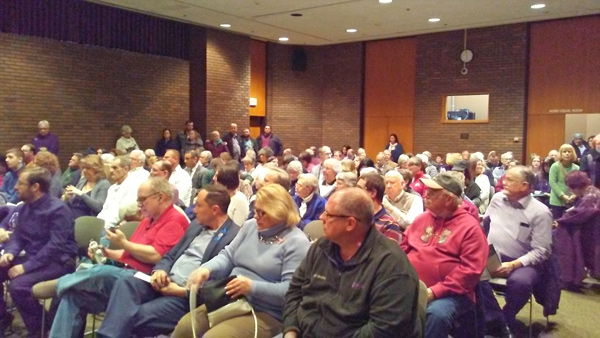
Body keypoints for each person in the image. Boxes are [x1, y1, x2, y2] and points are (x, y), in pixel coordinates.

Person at [90, 185, 240, 338]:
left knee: (132, 316)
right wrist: (160, 271)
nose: (194, 210)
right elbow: (170, 255)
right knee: (126, 283)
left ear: (215, 210)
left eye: (199, 205)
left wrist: (183, 291)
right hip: (162, 281)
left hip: (184, 296)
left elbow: (220, 284)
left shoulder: (234, 237)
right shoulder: (196, 226)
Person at [48, 177, 189, 337]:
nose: (139, 204)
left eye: (143, 199)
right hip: (124, 277)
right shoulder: (149, 219)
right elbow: (128, 254)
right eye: (138, 200)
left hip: (143, 282)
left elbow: (157, 256)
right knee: (73, 297)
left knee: (100, 271)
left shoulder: (174, 220)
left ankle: (60, 283)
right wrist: (108, 253)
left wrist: (123, 243)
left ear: (161, 197)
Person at [172, 184, 310, 337]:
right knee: (185, 328)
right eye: (255, 210)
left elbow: (290, 291)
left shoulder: (297, 242)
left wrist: (252, 287)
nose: (255, 216)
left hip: (266, 312)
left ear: (279, 213)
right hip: (231, 300)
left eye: (262, 212)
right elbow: (228, 256)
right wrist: (206, 269)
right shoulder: (251, 226)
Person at [283, 187, 420, 337]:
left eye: (328, 214)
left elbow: (383, 329)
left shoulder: (391, 265)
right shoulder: (321, 247)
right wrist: (291, 330)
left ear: (350, 224)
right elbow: (294, 291)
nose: (321, 217)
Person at [401, 173, 488, 338]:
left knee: (436, 315)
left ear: (449, 199)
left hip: (451, 294)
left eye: (433, 193)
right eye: (427, 190)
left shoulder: (470, 227)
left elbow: (470, 271)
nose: (426, 194)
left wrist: (435, 291)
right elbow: (402, 248)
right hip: (410, 286)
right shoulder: (422, 219)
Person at [0, 167, 77, 336]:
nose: (15, 187)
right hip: (35, 257)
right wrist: (9, 252)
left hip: (59, 261)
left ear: (35, 187)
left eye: (20, 183)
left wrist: (25, 267)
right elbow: (18, 235)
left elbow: (55, 246)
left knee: (18, 286)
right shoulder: (25, 208)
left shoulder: (59, 210)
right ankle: (3, 318)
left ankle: (41, 329)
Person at [485, 166, 554, 330]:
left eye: (509, 180)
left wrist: (514, 264)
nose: (503, 182)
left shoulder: (540, 212)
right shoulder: (497, 198)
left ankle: (505, 317)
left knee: (520, 283)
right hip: (492, 256)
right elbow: (484, 224)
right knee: (468, 274)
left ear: (524, 186)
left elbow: (542, 251)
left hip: (523, 262)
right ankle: (493, 318)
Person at [554, 171, 600, 290]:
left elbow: (580, 214)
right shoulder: (592, 192)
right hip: (592, 229)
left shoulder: (590, 196)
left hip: (593, 232)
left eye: (570, 187)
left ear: (576, 186)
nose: (570, 191)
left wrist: (560, 221)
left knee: (563, 235)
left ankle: (569, 277)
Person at [358, 173, 402, 243]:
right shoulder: (353, 216)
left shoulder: (389, 225)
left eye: (359, 188)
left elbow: (388, 253)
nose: (354, 191)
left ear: (372, 193)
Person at [63, 154, 110, 219]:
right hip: (70, 214)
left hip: (85, 219)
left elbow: (99, 207)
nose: (84, 170)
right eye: (83, 168)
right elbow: (72, 203)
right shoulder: (83, 181)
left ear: (96, 170)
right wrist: (66, 198)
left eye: (88, 168)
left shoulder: (104, 184)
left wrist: (81, 194)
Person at [549, 144, 579, 219]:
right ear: (561, 154)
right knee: (557, 223)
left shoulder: (577, 168)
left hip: (572, 200)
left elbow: (579, 184)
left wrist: (575, 195)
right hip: (557, 201)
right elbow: (552, 182)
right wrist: (562, 196)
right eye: (564, 151)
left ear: (573, 153)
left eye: (569, 152)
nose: (567, 153)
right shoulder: (555, 166)